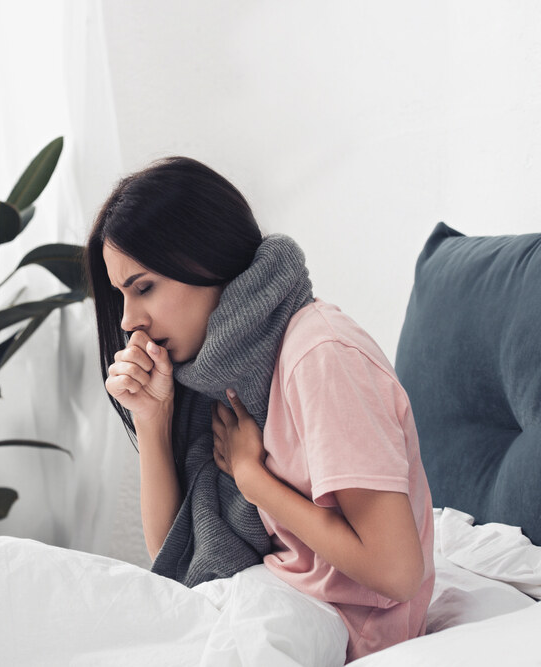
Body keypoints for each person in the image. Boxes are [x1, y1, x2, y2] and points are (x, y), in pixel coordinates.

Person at [85, 157, 434, 662]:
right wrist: (152, 418)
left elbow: (397, 571)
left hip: (352, 629)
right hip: (278, 600)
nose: (130, 321)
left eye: (144, 288)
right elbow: (172, 550)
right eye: (122, 296)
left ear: (204, 260)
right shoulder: (221, 371)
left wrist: (253, 479)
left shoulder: (321, 356)